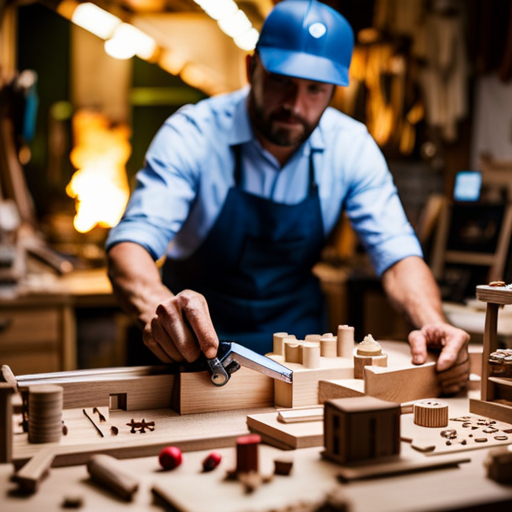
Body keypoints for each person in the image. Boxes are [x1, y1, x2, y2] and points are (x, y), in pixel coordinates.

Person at [106, 0, 469, 394]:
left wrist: (432, 321)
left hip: (301, 363)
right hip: (197, 358)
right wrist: (162, 312)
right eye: (282, 81)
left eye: (315, 89)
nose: (295, 105)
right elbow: (130, 246)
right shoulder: (191, 134)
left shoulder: (350, 146)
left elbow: (397, 256)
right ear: (251, 69)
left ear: (334, 91)